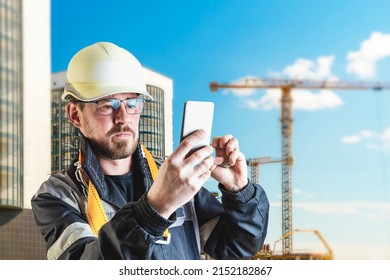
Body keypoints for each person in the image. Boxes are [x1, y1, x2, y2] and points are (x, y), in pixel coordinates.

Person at [31, 42, 269, 260]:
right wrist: (155, 208)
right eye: (107, 105)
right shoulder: (57, 195)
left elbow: (237, 247)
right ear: (75, 115)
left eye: (132, 103)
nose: (123, 118)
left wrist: (240, 194)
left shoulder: (174, 176)